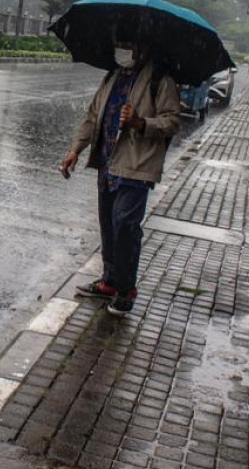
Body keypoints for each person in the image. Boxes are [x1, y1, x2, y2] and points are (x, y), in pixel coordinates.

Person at [59, 28, 181, 316]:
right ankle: (110, 281)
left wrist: (141, 123)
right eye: (119, 44)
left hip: (137, 166)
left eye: (128, 44)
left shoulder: (159, 81)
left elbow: (173, 121)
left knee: (125, 226)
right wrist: (76, 149)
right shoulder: (112, 77)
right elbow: (92, 116)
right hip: (107, 162)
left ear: (143, 47)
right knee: (109, 226)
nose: (122, 50)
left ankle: (127, 288)